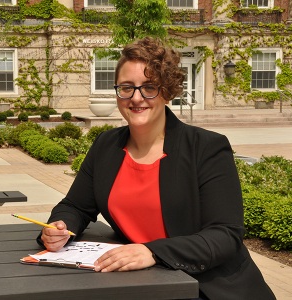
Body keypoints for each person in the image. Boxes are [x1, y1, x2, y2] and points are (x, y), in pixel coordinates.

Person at [38, 37, 275, 299]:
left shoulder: (207, 147)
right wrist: (60, 228)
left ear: (167, 91)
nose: (136, 98)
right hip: (145, 283)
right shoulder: (106, 145)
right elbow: (76, 206)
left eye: (149, 87)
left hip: (211, 287)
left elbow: (225, 235)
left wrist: (152, 251)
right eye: (126, 87)